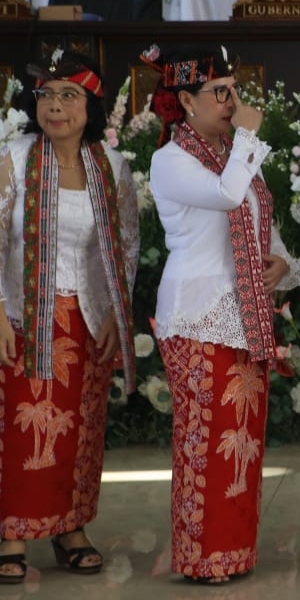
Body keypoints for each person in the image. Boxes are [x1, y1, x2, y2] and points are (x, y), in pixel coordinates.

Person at [144, 45, 300, 584]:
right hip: (197, 317)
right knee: (204, 440)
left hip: (245, 313)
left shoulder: (229, 153)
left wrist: (281, 260)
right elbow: (225, 195)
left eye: (235, 90)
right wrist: (249, 136)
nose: (232, 102)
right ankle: (199, 556)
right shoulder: (172, 159)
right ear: (186, 101)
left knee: (240, 439)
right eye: (220, 92)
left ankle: (234, 552)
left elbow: (258, 213)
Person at [0, 52, 139, 584]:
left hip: (86, 318)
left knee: (79, 429)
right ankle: (11, 531)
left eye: (68, 96)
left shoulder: (113, 167)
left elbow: (126, 243)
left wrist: (114, 314)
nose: (54, 107)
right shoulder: (14, 158)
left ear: (91, 106)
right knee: (22, 428)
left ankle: (71, 527)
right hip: (22, 314)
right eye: (46, 96)